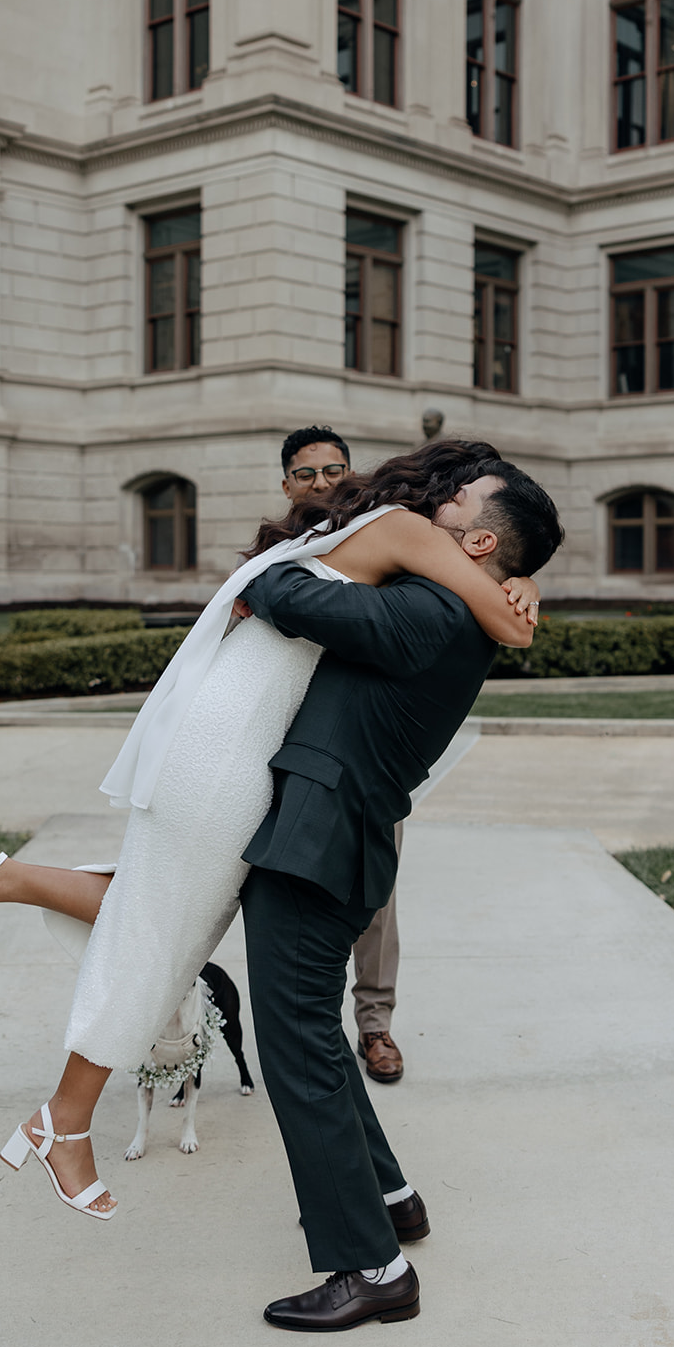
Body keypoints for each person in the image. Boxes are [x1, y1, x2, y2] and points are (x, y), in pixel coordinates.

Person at [0, 442, 553, 1247]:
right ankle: (62, 1120)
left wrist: (519, 577)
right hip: (230, 750)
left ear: (480, 534)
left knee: (172, 917)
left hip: (238, 743)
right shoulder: (410, 531)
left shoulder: (404, 541)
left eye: (471, 497)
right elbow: (500, 620)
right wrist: (518, 595)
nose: (457, 497)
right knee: (162, 932)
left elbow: (468, 593)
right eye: (460, 488)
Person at [239, 455, 563, 1329]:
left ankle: (370, 1269)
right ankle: (393, 1198)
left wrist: (264, 580)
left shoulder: (434, 608)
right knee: (314, 1037)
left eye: (455, 503)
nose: (435, 505)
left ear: (479, 540)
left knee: (297, 1051)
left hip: (317, 842)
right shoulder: (464, 604)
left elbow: (292, 595)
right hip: (334, 839)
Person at [277, 426, 405, 1083]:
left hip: (367, 748)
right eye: (307, 473)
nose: (323, 483)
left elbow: (474, 562)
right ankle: (304, 1024)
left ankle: (375, 1025)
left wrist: (523, 577)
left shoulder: (387, 535)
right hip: (280, 746)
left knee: (372, 895)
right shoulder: (272, 555)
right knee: (279, 894)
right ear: (285, 485)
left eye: (334, 469)